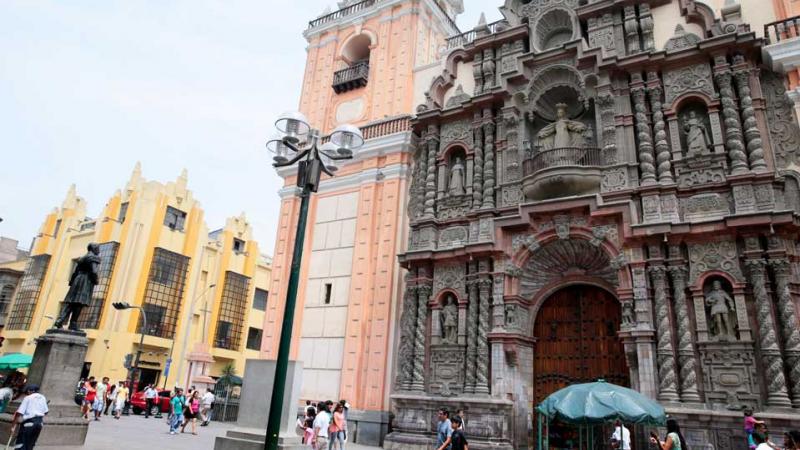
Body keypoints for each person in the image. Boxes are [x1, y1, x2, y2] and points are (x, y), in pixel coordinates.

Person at [11, 385, 48, 450]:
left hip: (29, 423)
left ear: (29, 391)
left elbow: (19, 413)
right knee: (30, 444)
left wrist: (13, 426)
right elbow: (46, 412)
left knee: (21, 444)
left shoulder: (28, 398)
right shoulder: (43, 397)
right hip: (39, 423)